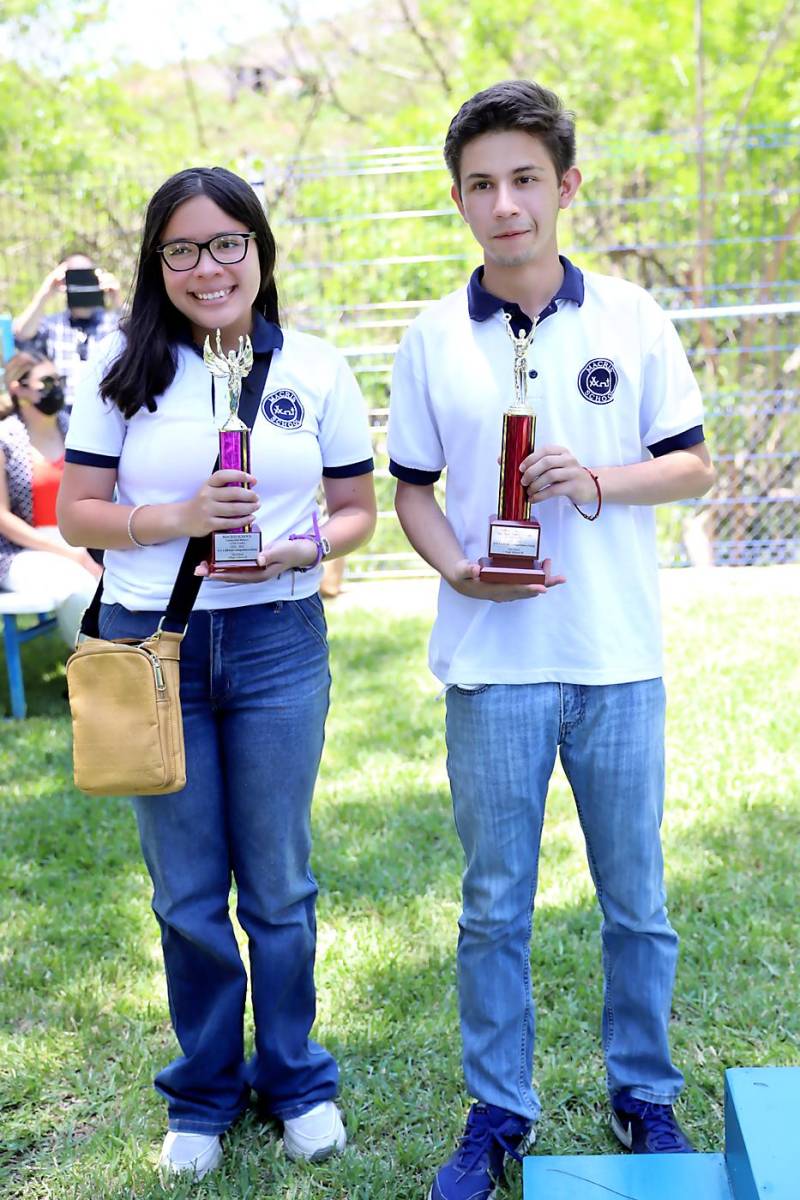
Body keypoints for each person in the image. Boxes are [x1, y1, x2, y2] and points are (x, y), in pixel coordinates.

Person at [387, 81, 715, 1200]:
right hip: (492, 668)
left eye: (524, 179)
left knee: (637, 899)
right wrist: (455, 566)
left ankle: (643, 1093)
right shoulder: (432, 336)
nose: (504, 203)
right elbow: (412, 492)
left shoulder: (631, 319)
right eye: (480, 185)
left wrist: (597, 480)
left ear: (564, 187)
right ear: (459, 200)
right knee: (491, 906)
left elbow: (690, 462)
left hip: (617, 660)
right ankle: (497, 1111)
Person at [57, 166, 376, 1180]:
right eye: (184, 249)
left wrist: (307, 548)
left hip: (281, 642)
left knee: (278, 884)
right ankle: (201, 1091)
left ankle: (294, 1081)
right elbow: (78, 514)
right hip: (156, 647)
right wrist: (178, 520)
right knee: (187, 892)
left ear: (259, 251)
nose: (209, 267)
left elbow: (356, 508)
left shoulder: (313, 366)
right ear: (158, 265)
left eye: (227, 243)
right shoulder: (120, 364)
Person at [0, 351, 100, 644]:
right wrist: (73, 554)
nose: (55, 387)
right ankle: (92, 671)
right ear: (19, 389)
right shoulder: (5, 439)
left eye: (59, 379)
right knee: (79, 588)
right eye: (46, 381)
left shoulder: (75, 428)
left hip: (82, 538)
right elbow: (2, 518)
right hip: (22, 549)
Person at [13, 253, 122, 409]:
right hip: (64, 412)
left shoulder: (114, 322)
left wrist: (118, 299)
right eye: (75, 276)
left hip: (107, 409)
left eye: (87, 275)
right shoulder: (52, 325)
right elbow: (21, 335)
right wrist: (46, 292)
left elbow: (140, 340)